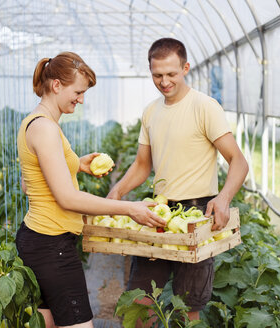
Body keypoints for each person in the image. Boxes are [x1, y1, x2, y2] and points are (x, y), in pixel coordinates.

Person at [15, 51, 166, 328]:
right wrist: (129, 208)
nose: (81, 99)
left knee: (46, 322)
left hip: (40, 239)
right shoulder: (46, 129)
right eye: (78, 92)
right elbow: (67, 198)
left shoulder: (34, 122)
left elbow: (29, 184)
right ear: (57, 85)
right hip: (51, 244)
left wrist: (75, 165)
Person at [107, 38, 249, 325]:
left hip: (196, 214)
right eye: (157, 75)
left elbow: (239, 162)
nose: (164, 81)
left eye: (171, 74)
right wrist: (118, 190)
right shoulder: (151, 111)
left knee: (188, 307)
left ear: (185, 68)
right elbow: (142, 165)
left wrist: (222, 198)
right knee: (139, 303)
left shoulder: (204, 107)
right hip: (156, 214)